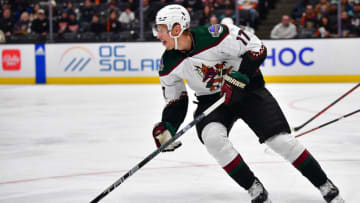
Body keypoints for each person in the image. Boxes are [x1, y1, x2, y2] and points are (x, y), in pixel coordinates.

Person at [151, 4, 345, 203]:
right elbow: (177, 101)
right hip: (211, 101)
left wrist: (239, 77)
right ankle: (254, 188)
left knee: (280, 141)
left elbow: (257, 48)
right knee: (213, 139)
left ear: (176, 29)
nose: (158, 35)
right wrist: (168, 126)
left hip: (247, 89)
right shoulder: (167, 64)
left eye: (161, 29)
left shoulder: (216, 35)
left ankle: (324, 185)